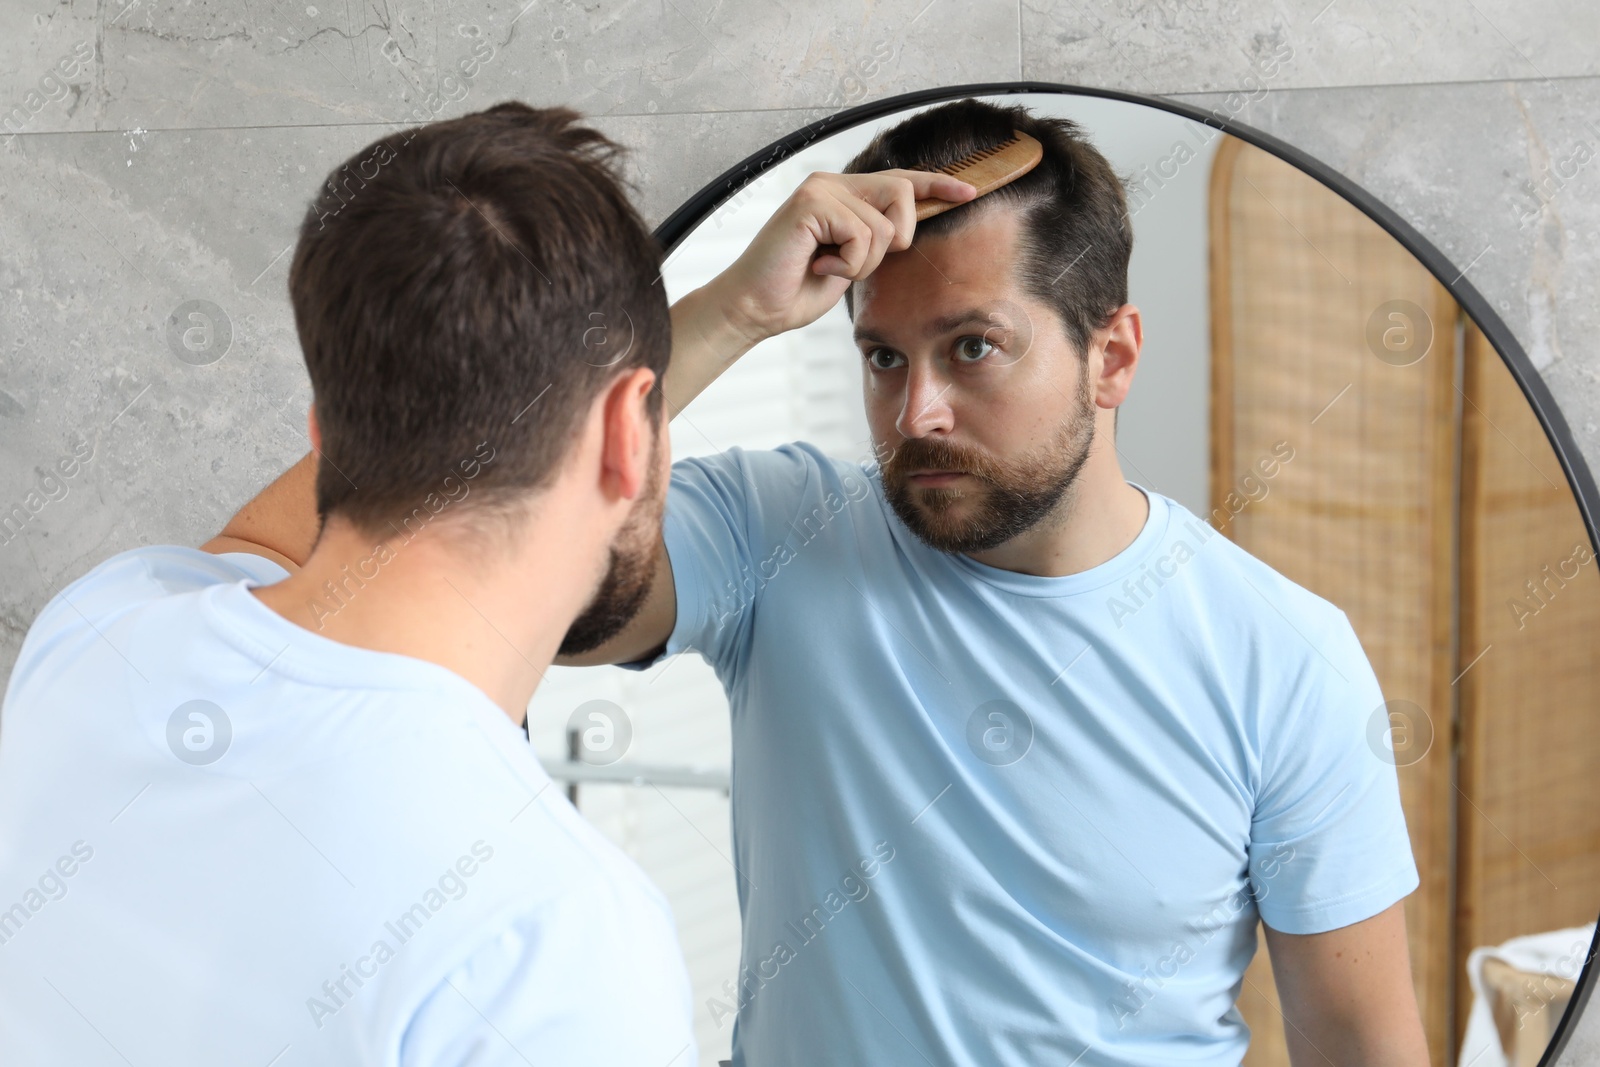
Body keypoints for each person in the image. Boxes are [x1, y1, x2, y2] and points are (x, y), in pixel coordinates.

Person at [204, 97, 1430, 1065]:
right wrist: (736, 309)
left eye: (973, 348)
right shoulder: (780, 526)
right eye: (882, 356)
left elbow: (1365, 1049)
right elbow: (464, 548)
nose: (917, 409)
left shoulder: (1283, 656)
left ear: (1110, 355)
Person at [0, 101, 955, 1066]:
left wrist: (724, 314)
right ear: (634, 428)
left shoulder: (104, 630)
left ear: (324, 436)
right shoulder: (551, 935)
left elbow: (279, 529)